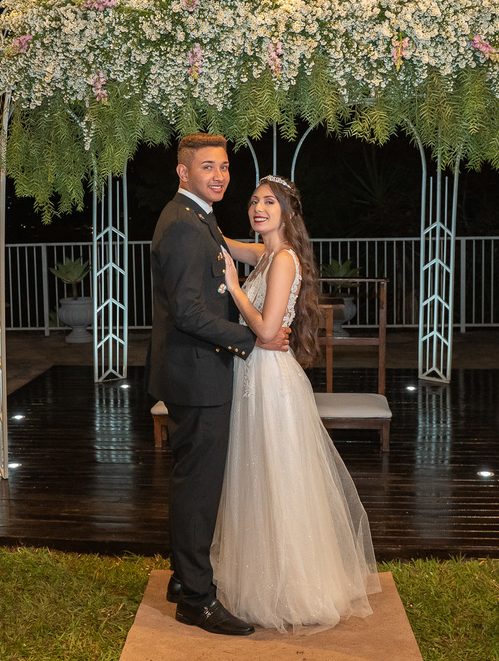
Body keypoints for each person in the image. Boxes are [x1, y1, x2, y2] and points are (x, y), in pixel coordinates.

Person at [213, 175, 381, 634]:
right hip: (255, 377)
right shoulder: (265, 252)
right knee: (258, 476)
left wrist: (233, 285)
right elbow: (224, 240)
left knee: (278, 478)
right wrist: (200, 212)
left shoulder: (283, 259)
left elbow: (267, 331)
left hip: (272, 382)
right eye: (253, 201)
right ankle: (265, 580)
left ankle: (294, 588)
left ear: (288, 212)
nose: (257, 207)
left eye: (269, 202)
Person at [147, 134, 289, 637]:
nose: (220, 175)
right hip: (197, 373)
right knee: (198, 488)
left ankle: (185, 581)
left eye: (224, 167)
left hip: (197, 371)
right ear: (183, 173)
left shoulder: (200, 217)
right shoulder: (185, 225)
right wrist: (254, 339)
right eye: (207, 167)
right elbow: (188, 312)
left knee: (195, 482)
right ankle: (196, 600)